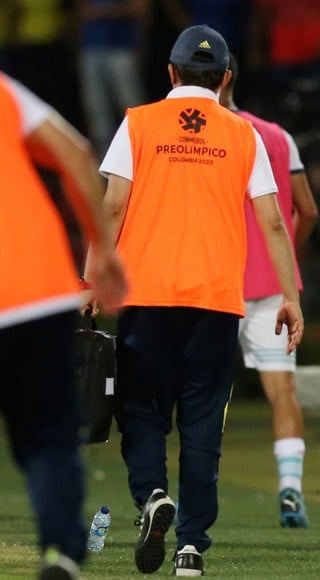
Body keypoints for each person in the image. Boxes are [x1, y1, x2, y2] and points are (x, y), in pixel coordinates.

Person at [87, 25, 304, 576]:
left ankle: (153, 495)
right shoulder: (240, 133)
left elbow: (111, 207)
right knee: (204, 423)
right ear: (226, 78)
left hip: (148, 297)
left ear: (170, 72)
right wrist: (289, 296)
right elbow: (274, 222)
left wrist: (92, 279)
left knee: (142, 413)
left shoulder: (138, 123)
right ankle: (190, 546)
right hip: (216, 302)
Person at [0, 71, 127, 579]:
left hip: (34, 290)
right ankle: (62, 553)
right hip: (34, 286)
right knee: (50, 435)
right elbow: (75, 153)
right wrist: (105, 254)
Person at [219, 53, 318, 528]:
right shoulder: (277, 136)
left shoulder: (200, 137)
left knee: (201, 395)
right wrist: (284, 262)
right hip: (273, 289)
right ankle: (291, 491)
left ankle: (197, 492)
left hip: (214, 284)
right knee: (283, 391)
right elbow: (308, 209)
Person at [77, 0, 149, 156]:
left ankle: (142, 160)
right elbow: (81, 11)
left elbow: (139, 8)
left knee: (133, 110)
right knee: (97, 111)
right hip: (91, 47)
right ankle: (104, 168)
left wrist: (102, 13)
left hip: (121, 48)